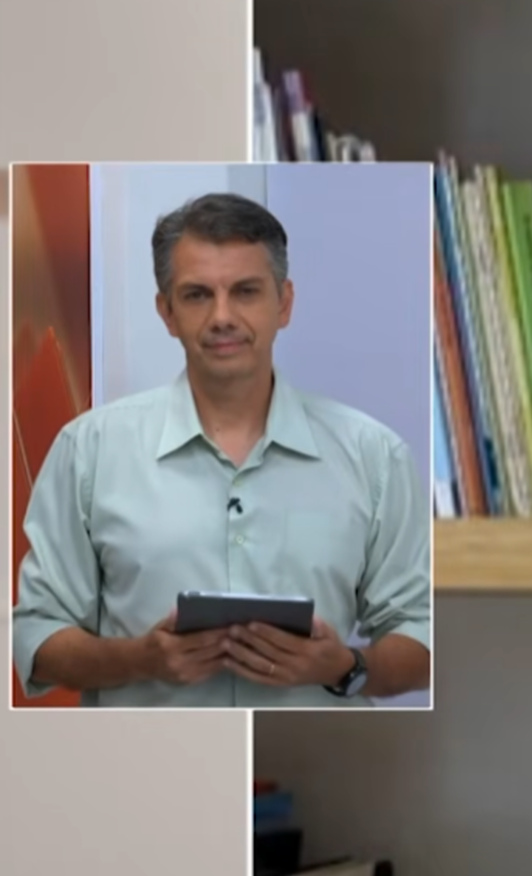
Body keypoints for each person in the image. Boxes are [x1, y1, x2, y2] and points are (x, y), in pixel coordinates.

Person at [11, 192, 433, 708]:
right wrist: (138, 659)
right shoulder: (88, 451)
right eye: (197, 295)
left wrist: (346, 666)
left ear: (284, 304)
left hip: (312, 752)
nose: (222, 316)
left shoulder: (376, 458)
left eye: (246, 292)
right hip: (145, 755)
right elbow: (37, 638)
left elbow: (424, 639)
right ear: (166, 312)